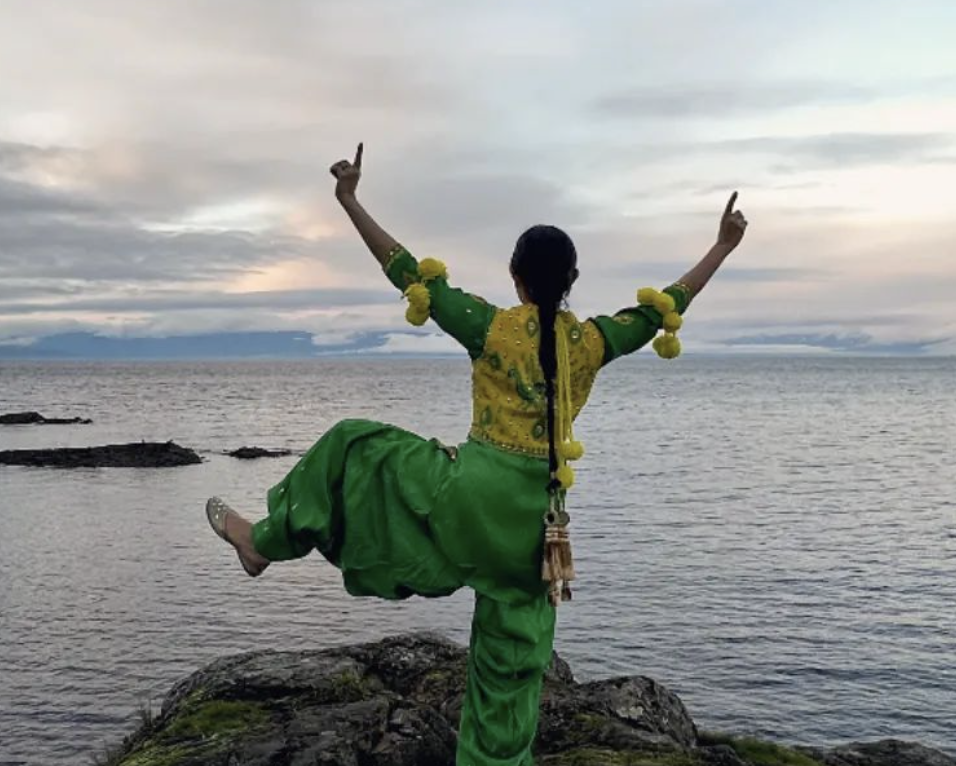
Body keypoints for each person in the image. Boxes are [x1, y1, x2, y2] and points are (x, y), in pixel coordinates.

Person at [205, 143, 748, 766]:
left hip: (467, 500)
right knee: (509, 671)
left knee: (355, 444)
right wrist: (725, 246)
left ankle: (265, 542)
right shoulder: (594, 339)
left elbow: (405, 269)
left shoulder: (491, 326)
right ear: (572, 281)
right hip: (537, 529)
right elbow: (669, 304)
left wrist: (350, 199)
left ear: (516, 278)